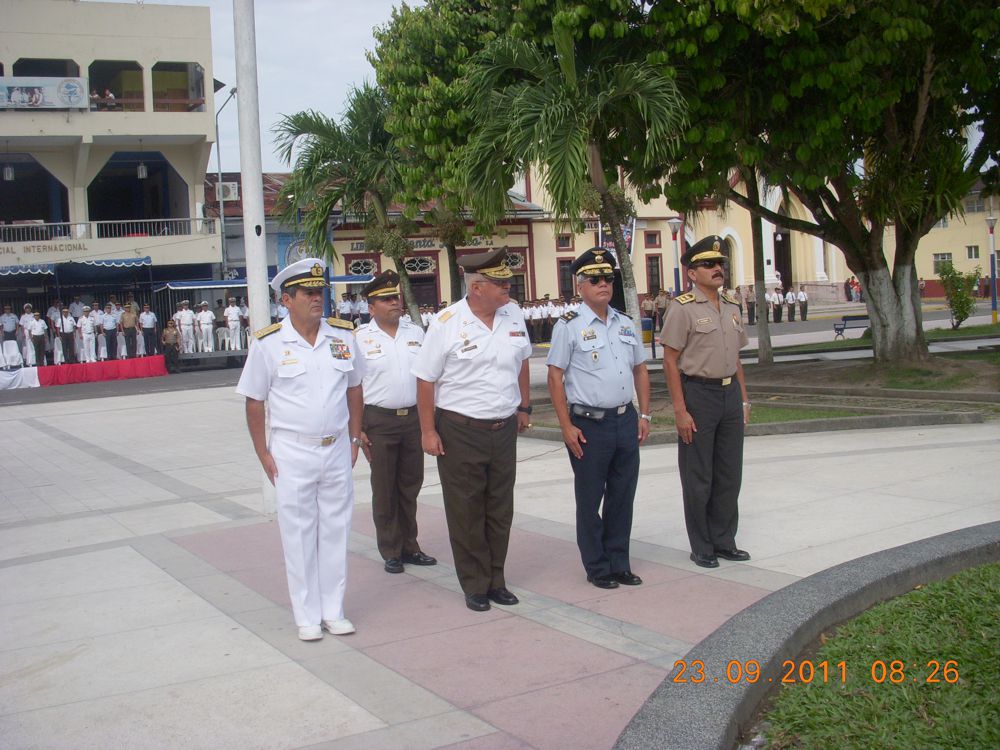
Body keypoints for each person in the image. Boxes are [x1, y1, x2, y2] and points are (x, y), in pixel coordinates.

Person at [236, 257, 364, 641]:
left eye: (319, 292)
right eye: (308, 293)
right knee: (298, 533)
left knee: (337, 530)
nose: (317, 299)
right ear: (286, 300)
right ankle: (306, 615)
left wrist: (355, 437)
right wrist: (263, 451)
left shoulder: (343, 336)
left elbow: (355, 388)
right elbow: (254, 400)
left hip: (337, 447)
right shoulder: (269, 344)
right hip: (291, 450)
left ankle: (333, 609)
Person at [412, 246, 532, 612]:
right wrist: (428, 431)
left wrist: (524, 405)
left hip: (503, 428)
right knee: (466, 510)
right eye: (500, 283)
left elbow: (523, 361)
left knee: (500, 507)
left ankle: (497, 579)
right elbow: (425, 379)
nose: (508, 287)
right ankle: (475, 583)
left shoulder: (513, 315)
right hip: (460, 430)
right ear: (477, 287)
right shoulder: (447, 322)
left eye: (507, 281)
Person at [546, 248, 651, 589]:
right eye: (595, 279)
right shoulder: (570, 326)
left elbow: (639, 368)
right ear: (580, 286)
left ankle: (619, 561)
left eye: (608, 278)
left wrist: (644, 413)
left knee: (623, 495)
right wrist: (566, 427)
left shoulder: (623, 322)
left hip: (624, 420)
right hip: (589, 425)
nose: (604, 284)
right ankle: (597, 566)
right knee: (590, 499)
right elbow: (554, 376)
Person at [659, 235, 751, 569]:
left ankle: (724, 540)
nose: (717, 269)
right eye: (708, 264)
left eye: (720, 264)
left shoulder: (731, 307)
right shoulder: (682, 308)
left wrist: (742, 399)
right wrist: (680, 410)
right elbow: (670, 360)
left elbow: (736, 357)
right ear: (692, 273)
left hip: (728, 395)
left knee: (729, 473)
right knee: (699, 475)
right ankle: (702, 545)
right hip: (698, 394)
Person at [355, 270, 437, 574]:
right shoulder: (359, 339)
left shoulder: (416, 333)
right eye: (387, 299)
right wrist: (358, 428)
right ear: (371, 306)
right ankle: (390, 549)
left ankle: (410, 546)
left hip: (413, 418)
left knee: (410, 484)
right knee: (385, 486)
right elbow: (352, 387)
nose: (395, 303)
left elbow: (429, 377)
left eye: (397, 298)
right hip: (378, 420)